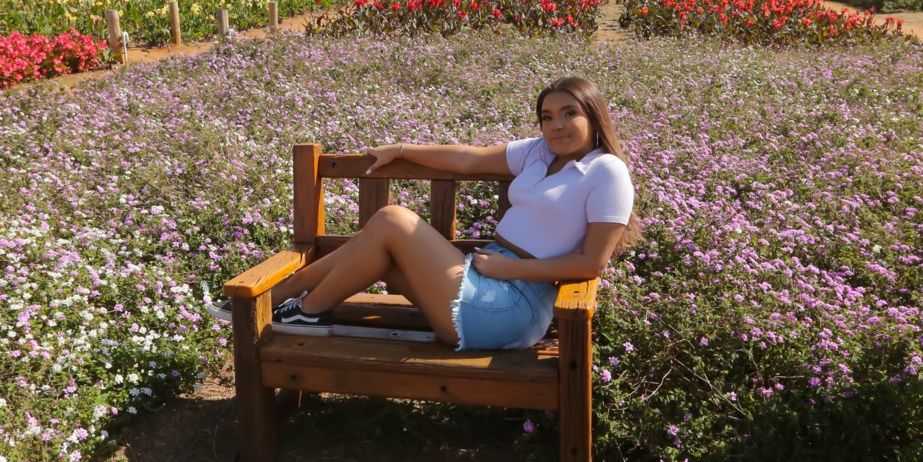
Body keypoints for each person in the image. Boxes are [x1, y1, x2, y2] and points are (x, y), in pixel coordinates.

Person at [208, 76, 635, 351]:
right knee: (382, 250)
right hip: (485, 277)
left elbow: (590, 263)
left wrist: (508, 272)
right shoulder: (538, 154)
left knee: (393, 219)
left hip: (510, 306)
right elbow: (468, 159)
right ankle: (279, 299)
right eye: (547, 117)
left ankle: (302, 308)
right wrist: (401, 150)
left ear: (594, 118)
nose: (556, 125)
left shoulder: (606, 172)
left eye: (569, 114)